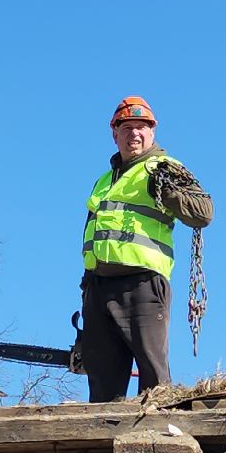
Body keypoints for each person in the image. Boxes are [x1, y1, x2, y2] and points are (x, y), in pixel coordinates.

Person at [78, 96, 213, 402]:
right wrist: (87, 286)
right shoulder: (103, 181)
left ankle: (157, 437)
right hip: (99, 288)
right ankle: (103, 443)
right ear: (114, 134)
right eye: (126, 128)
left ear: (152, 132)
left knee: (153, 376)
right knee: (102, 380)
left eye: (141, 127)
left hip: (143, 285)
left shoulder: (163, 167)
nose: (134, 134)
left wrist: (168, 192)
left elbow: (203, 212)